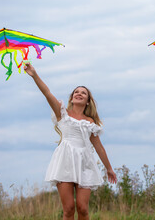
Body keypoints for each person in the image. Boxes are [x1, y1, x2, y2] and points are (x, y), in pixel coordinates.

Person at [24, 63, 117, 220]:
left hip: (85, 163)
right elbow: (47, 93)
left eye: (83, 93)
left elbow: (99, 147)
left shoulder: (90, 122)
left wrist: (109, 168)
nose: (79, 94)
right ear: (72, 98)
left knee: (82, 208)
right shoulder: (62, 114)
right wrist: (34, 74)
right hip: (65, 160)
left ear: (88, 101)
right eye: (76, 92)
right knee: (68, 209)